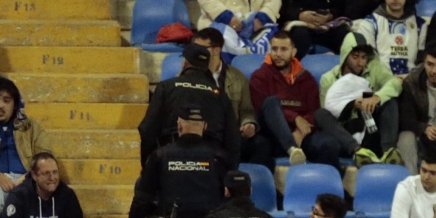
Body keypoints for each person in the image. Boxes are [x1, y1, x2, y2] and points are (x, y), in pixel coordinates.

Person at [249, 31, 343, 168]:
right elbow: (261, 107)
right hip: (271, 134)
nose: (278, 54)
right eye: (274, 49)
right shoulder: (260, 76)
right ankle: (291, 149)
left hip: (302, 134)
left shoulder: (306, 78)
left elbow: (314, 111)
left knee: (329, 144)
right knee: (271, 102)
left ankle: (330, 186)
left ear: (293, 52)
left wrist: (301, 130)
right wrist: (295, 119)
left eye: (284, 49)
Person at [139, 42, 240, 166]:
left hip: (171, 159)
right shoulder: (220, 94)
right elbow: (233, 138)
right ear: (207, 65)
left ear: (185, 62)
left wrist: (148, 165)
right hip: (210, 162)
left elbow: (148, 128)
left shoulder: (166, 87)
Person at [0, 78, 53, 218]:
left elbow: (45, 155)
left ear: (15, 104)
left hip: (26, 177)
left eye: (6, 100)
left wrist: (29, 176)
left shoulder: (31, 127)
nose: (0, 106)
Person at [317, 31, 402, 162]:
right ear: (345, 56)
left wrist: (377, 97)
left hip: (370, 128)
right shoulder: (328, 79)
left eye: (364, 57)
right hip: (345, 134)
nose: (360, 62)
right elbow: (330, 114)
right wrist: (352, 105)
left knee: (390, 101)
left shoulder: (374, 68)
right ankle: (358, 152)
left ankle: (388, 153)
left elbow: (395, 83)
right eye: (355, 57)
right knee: (320, 114)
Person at [192, 28, 258, 162]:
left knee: (261, 145)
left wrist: (249, 124)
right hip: (202, 136)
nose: (197, 52)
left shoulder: (238, 78)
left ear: (217, 50)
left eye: (202, 48)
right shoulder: (188, 76)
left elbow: (247, 111)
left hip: (230, 136)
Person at [351, 0, 426, 80]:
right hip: (379, 83)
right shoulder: (369, 23)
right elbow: (368, 61)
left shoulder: (420, 25)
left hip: (412, 84)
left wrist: (409, 79)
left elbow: (422, 62)